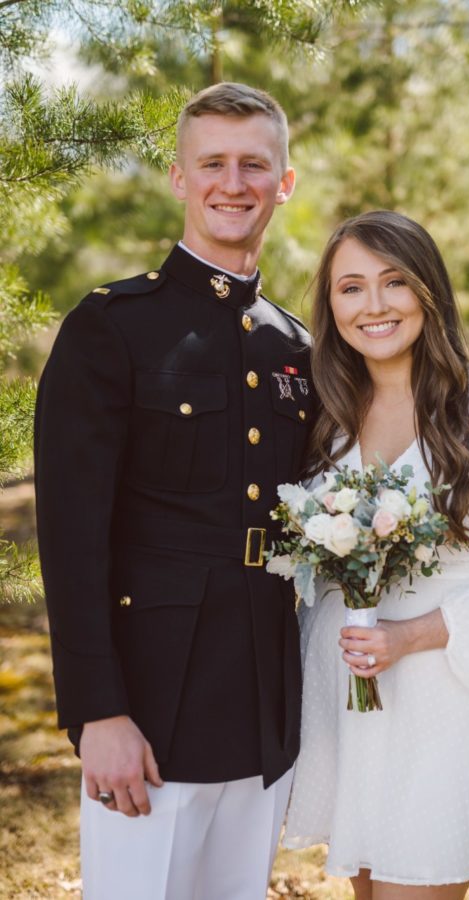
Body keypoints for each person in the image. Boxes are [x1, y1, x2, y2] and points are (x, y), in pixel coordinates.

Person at [34, 82, 314, 900]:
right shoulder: (113, 326)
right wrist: (95, 712)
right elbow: (72, 536)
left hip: (263, 696)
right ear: (179, 179)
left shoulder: (294, 345)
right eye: (214, 163)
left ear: (284, 183)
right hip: (148, 704)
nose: (235, 183)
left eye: (255, 164)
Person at [282, 210, 469, 900]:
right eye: (350, 288)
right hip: (347, 696)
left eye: (394, 282)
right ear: (331, 305)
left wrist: (411, 635)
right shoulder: (325, 414)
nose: (373, 306)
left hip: (444, 691)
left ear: (428, 291)